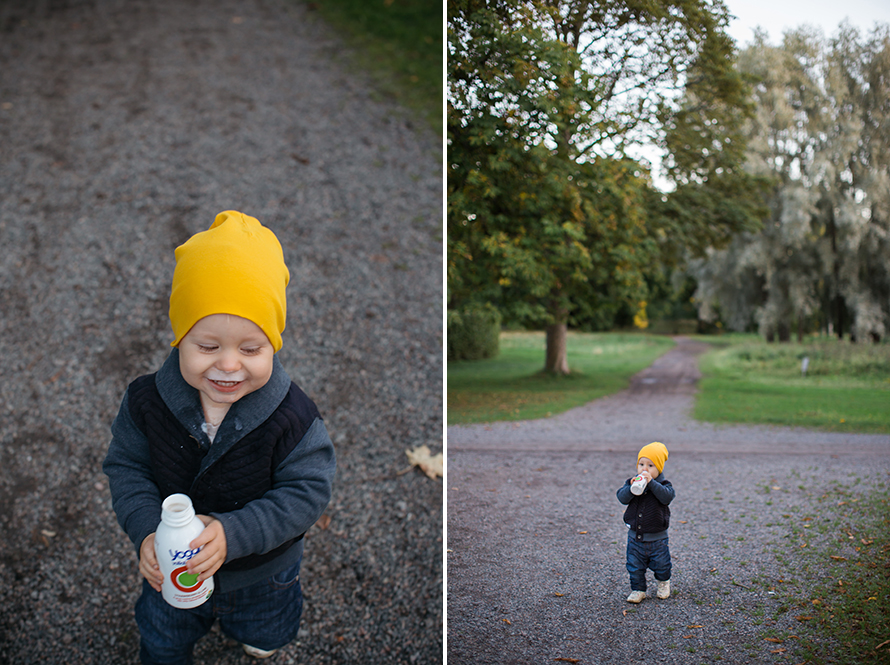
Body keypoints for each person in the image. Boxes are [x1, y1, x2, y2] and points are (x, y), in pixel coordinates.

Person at [103, 211, 337, 663]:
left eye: (251, 349)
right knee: (162, 637)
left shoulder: (293, 415)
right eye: (207, 346)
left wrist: (236, 533)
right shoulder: (146, 401)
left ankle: (259, 636)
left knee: (267, 628)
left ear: (274, 343)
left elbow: (308, 489)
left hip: (261, 572)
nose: (228, 365)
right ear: (178, 338)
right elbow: (127, 467)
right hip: (173, 567)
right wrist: (148, 532)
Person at [616, 441, 674, 604]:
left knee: (662, 565)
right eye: (641, 464)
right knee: (634, 566)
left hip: (657, 539)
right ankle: (638, 589)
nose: (644, 469)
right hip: (635, 538)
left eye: (650, 465)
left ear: (659, 469)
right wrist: (631, 487)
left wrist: (652, 483)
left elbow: (667, 497)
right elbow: (621, 498)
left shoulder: (663, 485)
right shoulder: (632, 482)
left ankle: (663, 583)